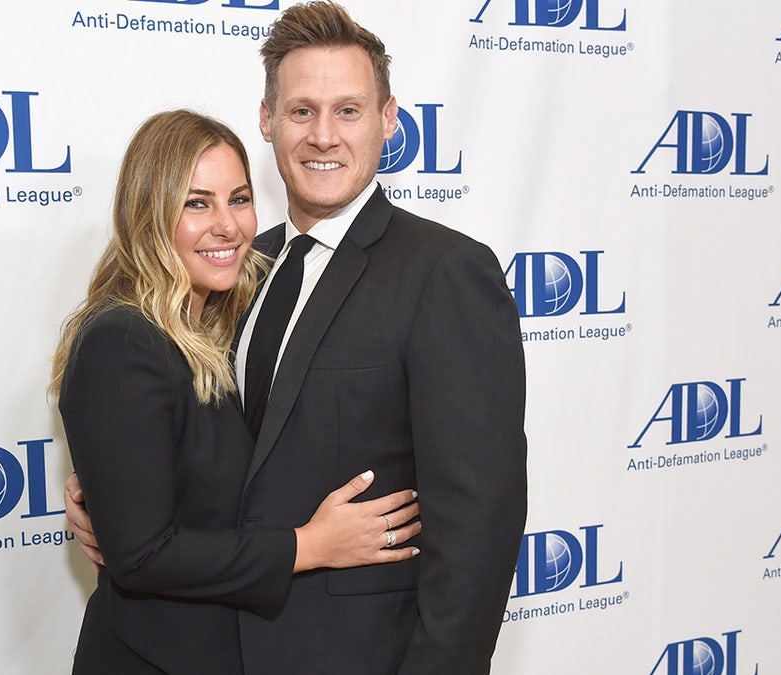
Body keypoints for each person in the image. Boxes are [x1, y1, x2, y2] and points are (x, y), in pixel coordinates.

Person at [67, 2, 528, 671]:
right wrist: (108, 495)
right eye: (302, 111)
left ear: (388, 119)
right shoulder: (240, 269)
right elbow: (182, 432)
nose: (323, 136)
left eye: (349, 110)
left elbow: (479, 527)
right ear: (268, 120)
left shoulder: (445, 273)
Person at [51, 109, 422, 675]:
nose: (227, 225)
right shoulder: (122, 339)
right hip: (153, 658)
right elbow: (145, 555)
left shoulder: (223, 324)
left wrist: (107, 491)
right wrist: (312, 545)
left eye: (239, 199)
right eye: (197, 203)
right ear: (149, 214)